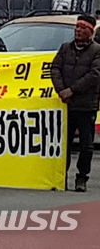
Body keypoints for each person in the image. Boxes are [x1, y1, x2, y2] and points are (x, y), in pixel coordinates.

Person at [51, 14, 100, 192]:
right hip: (66, 104)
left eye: (82, 28)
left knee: (86, 145)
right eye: (77, 28)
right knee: (63, 143)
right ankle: (60, 176)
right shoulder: (65, 48)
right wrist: (61, 90)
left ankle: (81, 178)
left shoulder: (97, 51)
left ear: (90, 31)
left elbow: (95, 75)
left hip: (86, 105)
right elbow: (55, 68)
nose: (78, 31)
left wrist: (72, 90)